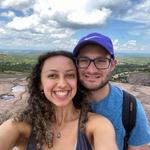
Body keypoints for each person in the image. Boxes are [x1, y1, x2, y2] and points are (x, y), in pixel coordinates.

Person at [0, 50, 118, 150]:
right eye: (52, 76)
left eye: (70, 75)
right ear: (40, 83)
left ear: (77, 81)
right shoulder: (20, 126)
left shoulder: (97, 125)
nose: (62, 84)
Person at [72, 32, 150, 150]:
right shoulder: (63, 101)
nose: (91, 70)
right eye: (83, 60)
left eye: (101, 61)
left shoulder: (130, 107)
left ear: (113, 64)